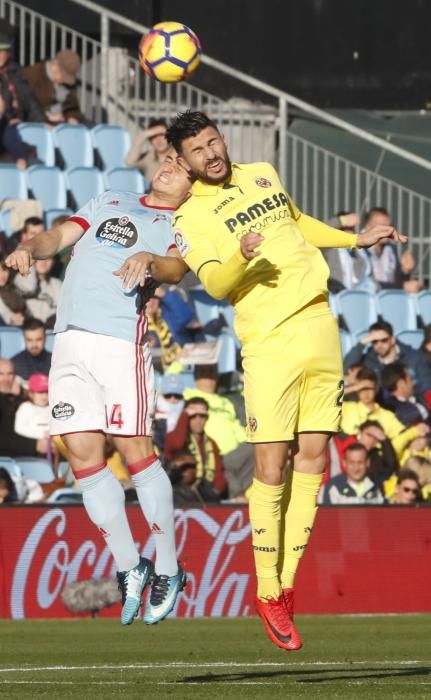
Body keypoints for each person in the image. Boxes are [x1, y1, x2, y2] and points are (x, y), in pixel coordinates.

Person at [164, 110, 406, 650]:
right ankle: (266, 588)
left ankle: (285, 591)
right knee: (272, 466)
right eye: (198, 150)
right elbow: (219, 284)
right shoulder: (190, 217)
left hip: (320, 323)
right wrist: (242, 255)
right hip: (269, 339)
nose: (211, 153)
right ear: (182, 161)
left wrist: (353, 239)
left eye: (213, 140)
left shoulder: (263, 173)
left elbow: (297, 222)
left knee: (316, 457)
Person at [5, 149, 192, 626]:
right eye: (168, 158)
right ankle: (132, 566)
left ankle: (169, 570)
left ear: (192, 185)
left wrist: (151, 258)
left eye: (179, 165)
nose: (168, 165)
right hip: (68, 340)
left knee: (135, 450)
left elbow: (176, 269)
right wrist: (31, 247)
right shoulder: (110, 197)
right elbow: (59, 236)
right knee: (80, 452)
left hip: (117, 341)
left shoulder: (185, 221)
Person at [183, 363, 254, 500]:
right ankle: (238, 498)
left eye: (213, 374)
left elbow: (237, 427)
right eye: (204, 374)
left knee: (263, 448)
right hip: (214, 454)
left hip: (237, 452)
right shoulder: (190, 395)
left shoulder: (226, 401)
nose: (210, 379)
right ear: (196, 377)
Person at [340, 366, 429, 458]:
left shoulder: (387, 415)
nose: (366, 393)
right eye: (362, 389)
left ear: (376, 388)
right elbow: (326, 398)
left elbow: (401, 439)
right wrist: (355, 387)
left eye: (369, 388)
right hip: (351, 459)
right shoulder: (347, 408)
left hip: (381, 462)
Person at [164, 396, 227, 501]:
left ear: (207, 418)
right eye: (193, 416)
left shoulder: (212, 443)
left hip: (206, 493)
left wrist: (217, 491)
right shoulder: (174, 437)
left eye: (202, 416)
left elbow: (219, 474)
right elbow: (176, 444)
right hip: (178, 493)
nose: (198, 420)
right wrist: (185, 415)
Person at [344, 320, 431, 394]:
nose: (379, 345)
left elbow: (426, 385)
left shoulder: (413, 356)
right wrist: (362, 343)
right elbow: (346, 368)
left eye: (384, 340)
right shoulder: (368, 360)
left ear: (392, 340)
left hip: (411, 405)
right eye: (375, 341)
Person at [0, 358, 49, 457]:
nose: (6, 379)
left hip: (34, 457)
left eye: (10, 374)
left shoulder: (22, 396)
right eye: (1, 374)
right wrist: (34, 445)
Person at [24, 49, 83, 124]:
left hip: (63, 122)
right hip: (38, 122)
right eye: (63, 75)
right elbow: (26, 106)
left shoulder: (68, 84)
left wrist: (72, 117)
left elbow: (73, 107)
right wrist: (47, 117)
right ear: (55, 65)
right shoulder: (32, 75)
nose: (63, 80)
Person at [0, 32, 46, 123]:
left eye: (2, 52)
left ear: (8, 53)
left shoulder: (16, 72)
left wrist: (41, 121)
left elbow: (30, 99)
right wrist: (8, 120)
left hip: (20, 122)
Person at [320, 443, 385, 504]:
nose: (356, 468)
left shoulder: (376, 486)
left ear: (367, 463)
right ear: (344, 463)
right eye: (352, 463)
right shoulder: (332, 487)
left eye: (360, 462)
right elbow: (324, 515)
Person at [380, 362, 430, 427]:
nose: (413, 383)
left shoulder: (420, 396)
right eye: (410, 379)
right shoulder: (392, 409)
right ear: (401, 383)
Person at [14, 372, 49, 440]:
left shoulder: (51, 408)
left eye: (47, 392)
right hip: (33, 443)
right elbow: (19, 428)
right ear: (31, 394)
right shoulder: (26, 407)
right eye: (40, 392)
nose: (44, 396)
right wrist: (41, 434)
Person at [0, 252, 26, 326]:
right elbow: (3, 310)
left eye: (4, 270)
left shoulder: (13, 287)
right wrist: (11, 318)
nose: (2, 275)